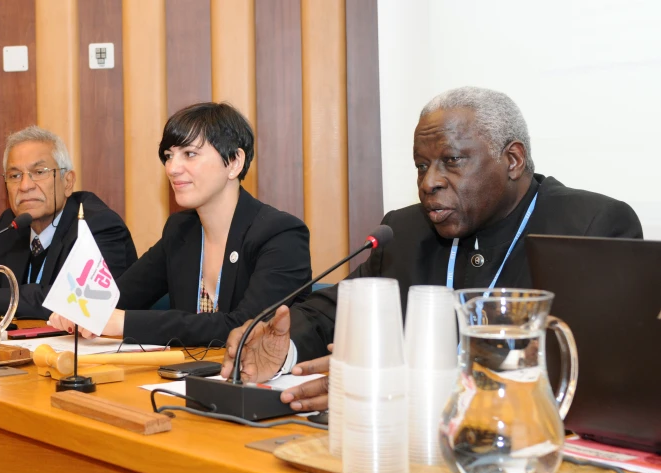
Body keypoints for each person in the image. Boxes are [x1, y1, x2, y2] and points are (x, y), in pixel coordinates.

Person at [221, 86, 643, 411]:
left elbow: (589, 371)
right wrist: (282, 344)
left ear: (512, 160)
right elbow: (336, 309)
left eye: (451, 161)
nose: (429, 182)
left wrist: (397, 378)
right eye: (421, 166)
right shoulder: (405, 229)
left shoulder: (590, 226)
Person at [49, 102, 312, 346]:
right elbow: (118, 295)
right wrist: (79, 308)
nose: (172, 168)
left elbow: (245, 328)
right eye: (168, 155)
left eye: (189, 154)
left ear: (234, 162)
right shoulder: (180, 230)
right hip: (186, 379)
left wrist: (122, 322)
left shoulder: (281, 235)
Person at [0, 126, 138, 319]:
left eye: (39, 171)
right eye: (15, 176)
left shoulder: (96, 226)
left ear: (68, 182)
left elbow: (74, 300)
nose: (25, 186)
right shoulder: (11, 225)